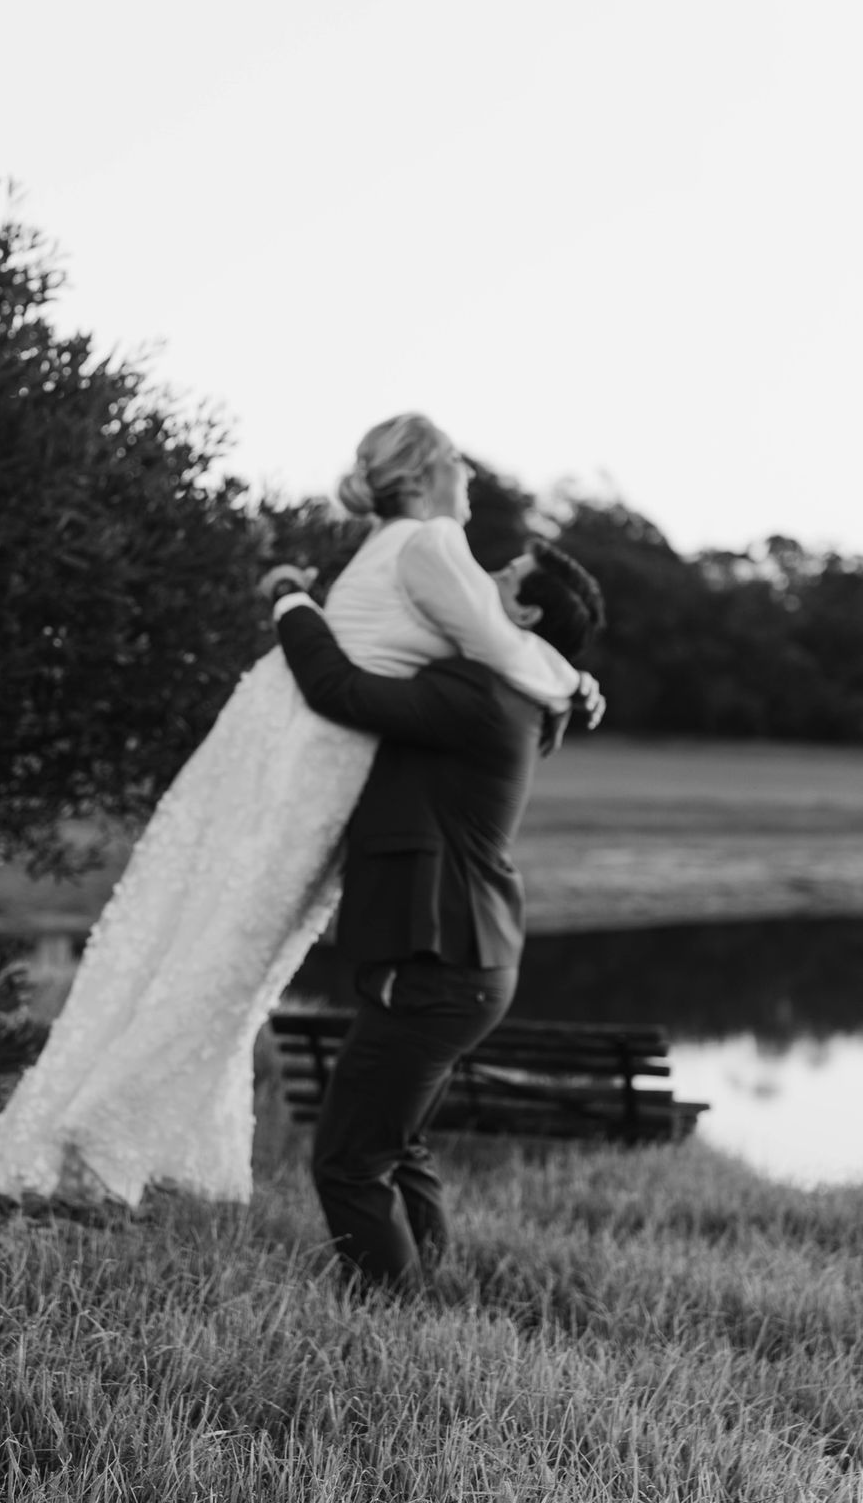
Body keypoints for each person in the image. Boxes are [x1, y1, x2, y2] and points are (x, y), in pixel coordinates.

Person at [0, 414, 603, 1210]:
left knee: (212, 943)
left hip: (290, 741)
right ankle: (95, 1142)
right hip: (318, 754)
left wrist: (564, 672)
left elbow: (502, 644)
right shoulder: (429, 543)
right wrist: (572, 682)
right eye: (455, 460)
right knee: (229, 959)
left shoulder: (399, 542)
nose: (470, 475)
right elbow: (499, 645)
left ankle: (106, 1138)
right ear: (418, 476)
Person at [268, 539, 605, 1288]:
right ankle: (435, 1283)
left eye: (506, 575)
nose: (483, 575)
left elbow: (339, 690)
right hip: (468, 960)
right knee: (401, 1144)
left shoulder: (479, 692)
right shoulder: (530, 690)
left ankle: (393, 1318)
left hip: (438, 962)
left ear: (523, 611)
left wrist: (290, 595)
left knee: (348, 1162)